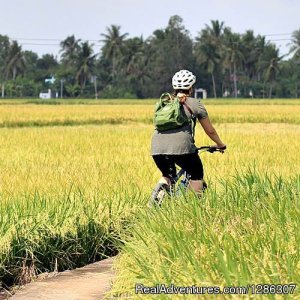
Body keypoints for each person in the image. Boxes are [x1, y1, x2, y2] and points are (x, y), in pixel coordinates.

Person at [151, 69, 226, 196]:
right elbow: (210, 130)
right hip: (183, 148)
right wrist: (220, 144)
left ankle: (155, 201)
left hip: (157, 148)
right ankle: (192, 207)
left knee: (167, 175)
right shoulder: (195, 103)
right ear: (191, 88)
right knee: (197, 173)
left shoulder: (165, 102)